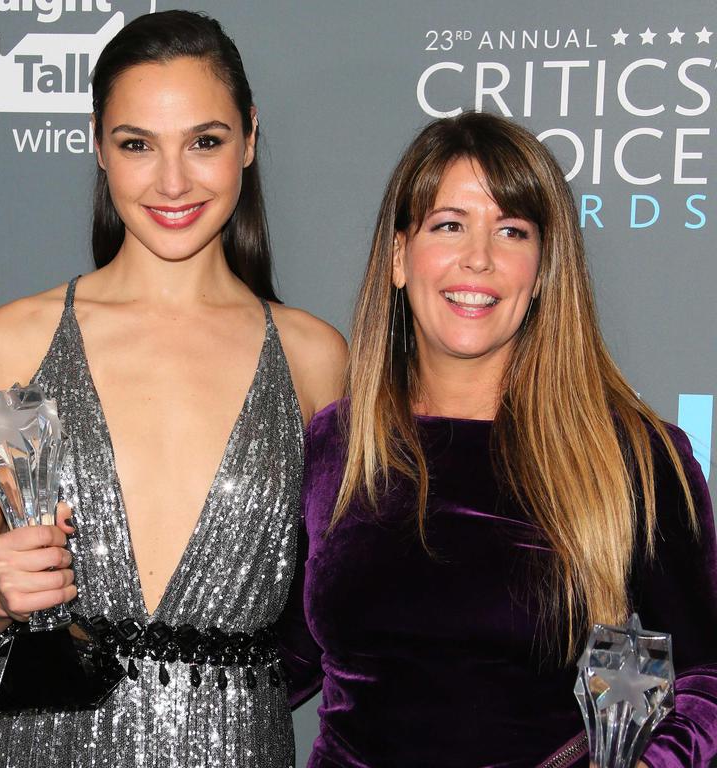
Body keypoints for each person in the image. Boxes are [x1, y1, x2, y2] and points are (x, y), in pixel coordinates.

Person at [0, 10, 346, 768]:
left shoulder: (312, 357)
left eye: (205, 141)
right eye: (138, 144)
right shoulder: (14, 341)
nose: (173, 180)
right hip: (38, 739)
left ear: (250, 138)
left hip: (235, 744)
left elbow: (350, 601)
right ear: (99, 146)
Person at [278, 113, 717, 767]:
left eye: (511, 231)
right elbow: (273, 664)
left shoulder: (633, 459)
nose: (478, 257)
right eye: (449, 224)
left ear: (541, 271)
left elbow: (702, 682)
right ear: (399, 257)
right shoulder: (337, 445)